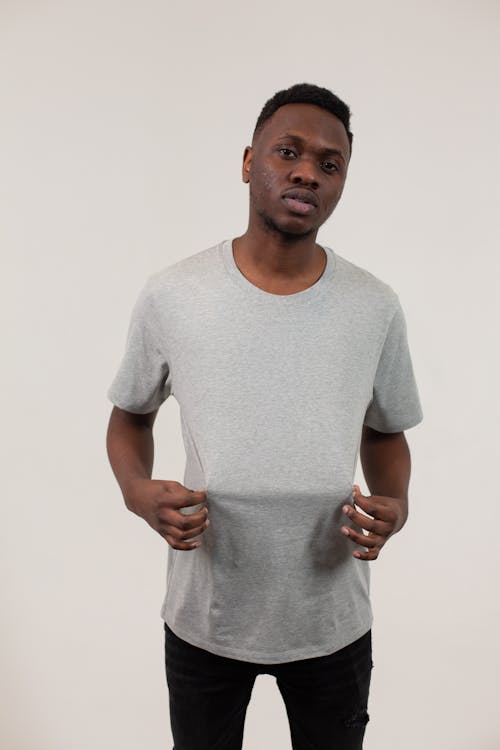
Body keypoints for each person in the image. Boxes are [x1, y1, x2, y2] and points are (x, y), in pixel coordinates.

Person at [106, 82, 423, 750]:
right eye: (290, 152)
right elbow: (129, 416)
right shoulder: (174, 294)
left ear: (341, 184)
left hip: (330, 617)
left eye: (330, 164)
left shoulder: (374, 306)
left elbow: (384, 429)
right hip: (208, 614)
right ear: (250, 161)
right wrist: (136, 492)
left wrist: (396, 499)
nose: (309, 170)